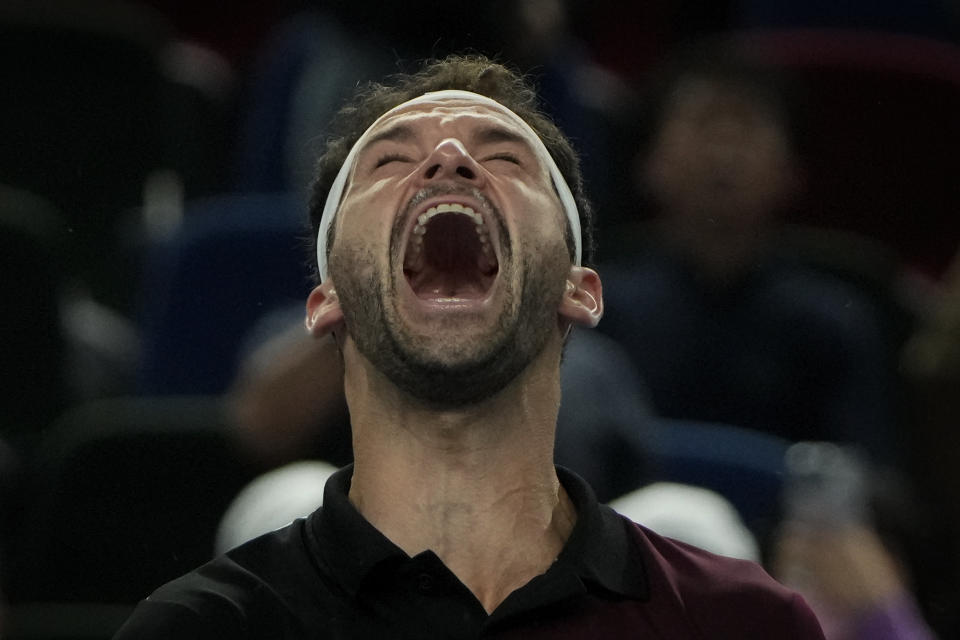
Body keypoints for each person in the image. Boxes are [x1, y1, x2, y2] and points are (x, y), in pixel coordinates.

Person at [114, 54, 824, 638]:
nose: (449, 160)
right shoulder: (199, 632)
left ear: (581, 290)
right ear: (325, 300)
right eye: (390, 163)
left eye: (507, 159)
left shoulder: (745, 623)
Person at [598, 39, 900, 465]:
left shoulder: (833, 323)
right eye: (703, 124)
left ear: (791, 173)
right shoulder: (599, 313)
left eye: (747, 127)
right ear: (650, 164)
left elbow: (870, 483)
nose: (723, 152)